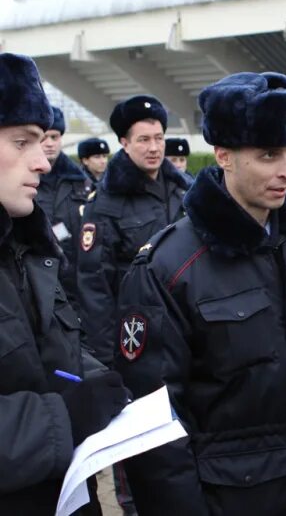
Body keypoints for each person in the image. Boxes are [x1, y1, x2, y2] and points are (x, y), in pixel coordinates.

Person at [114, 71, 286, 515]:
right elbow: (154, 425)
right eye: (268, 155)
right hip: (230, 498)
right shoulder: (169, 266)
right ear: (223, 154)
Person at [0, 52, 127, 516]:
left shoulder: (25, 248)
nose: (43, 162)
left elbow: (44, 358)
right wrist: (65, 417)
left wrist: (106, 384)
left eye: (43, 141)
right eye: (21, 142)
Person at [77, 95, 190, 366]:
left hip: (188, 329)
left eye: (159, 138)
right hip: (138, 338)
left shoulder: (185, 190)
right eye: (143, 140)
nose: (154, 148)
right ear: (124, 143)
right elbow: (95, 288)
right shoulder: (105, 203)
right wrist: (105, 361)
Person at [36, 106, 93, 305]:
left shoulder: (83, 183)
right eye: (44, 137)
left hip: (76, 285)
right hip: (38, 282)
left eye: (55, 137)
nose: (50, 143)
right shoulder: (23, 181)